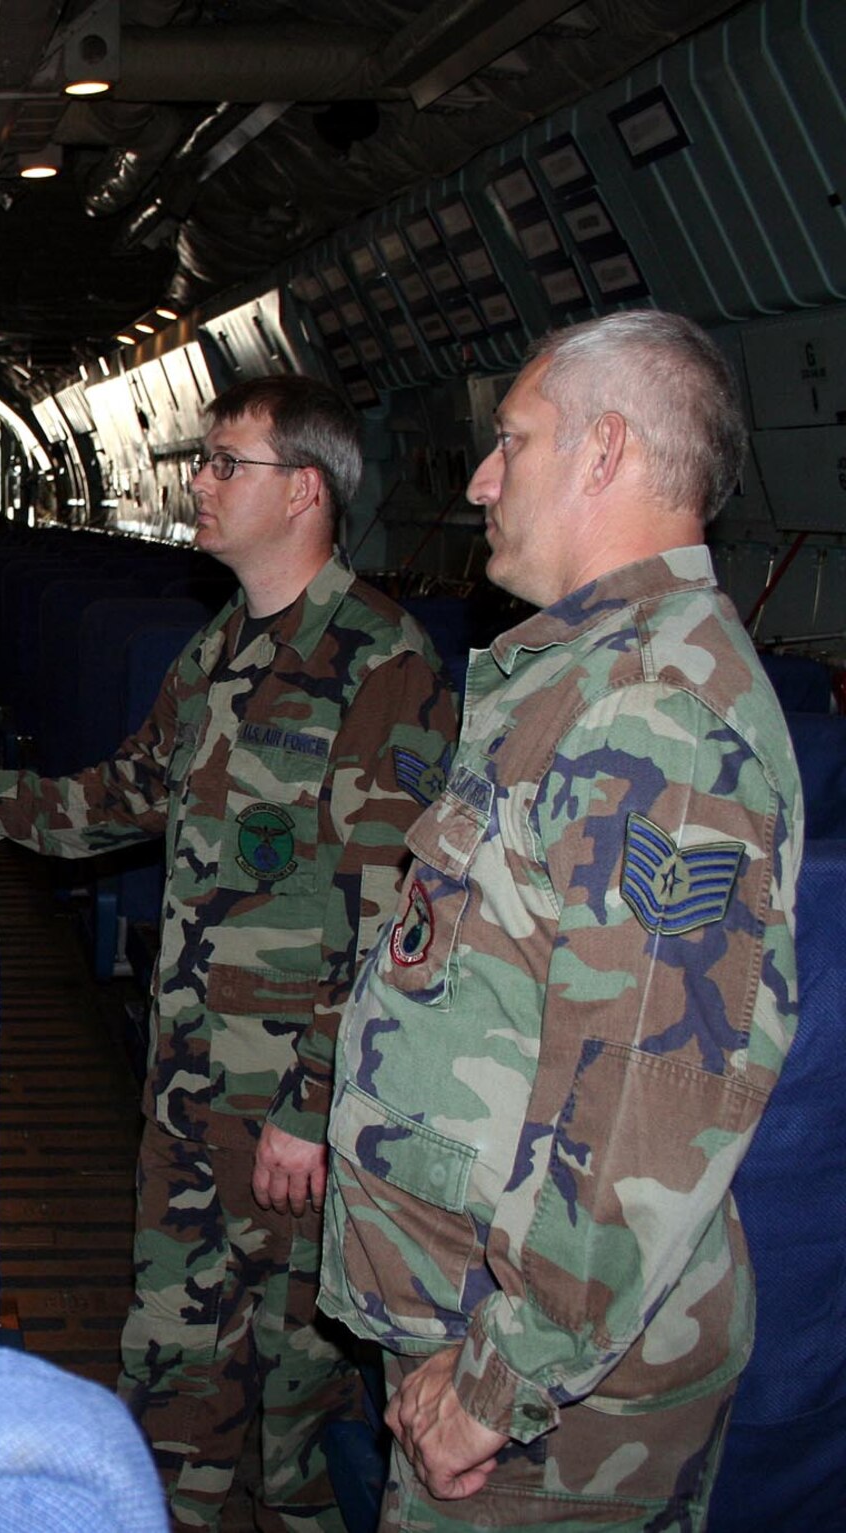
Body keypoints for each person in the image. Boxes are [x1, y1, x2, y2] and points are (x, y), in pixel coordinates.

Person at [0, 373, 458, 1530]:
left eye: (222, 463)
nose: (197, 483)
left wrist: (312, 1109)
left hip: (292, 1118)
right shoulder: (217, 650)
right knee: (170, 1374)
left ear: (301, 490)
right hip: (190, 1088)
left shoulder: (379, 663)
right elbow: (128, 793)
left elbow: (394, 915)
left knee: (297, 1413)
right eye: (200, 461)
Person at [318, 310, 801, 1531]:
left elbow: (654, 1083)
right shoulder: (587, 678)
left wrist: (504, 1378)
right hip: (487, 1320)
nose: (479, 479)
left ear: (604, 451)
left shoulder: (651, 711)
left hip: (552, 1396)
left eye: (511, 441)